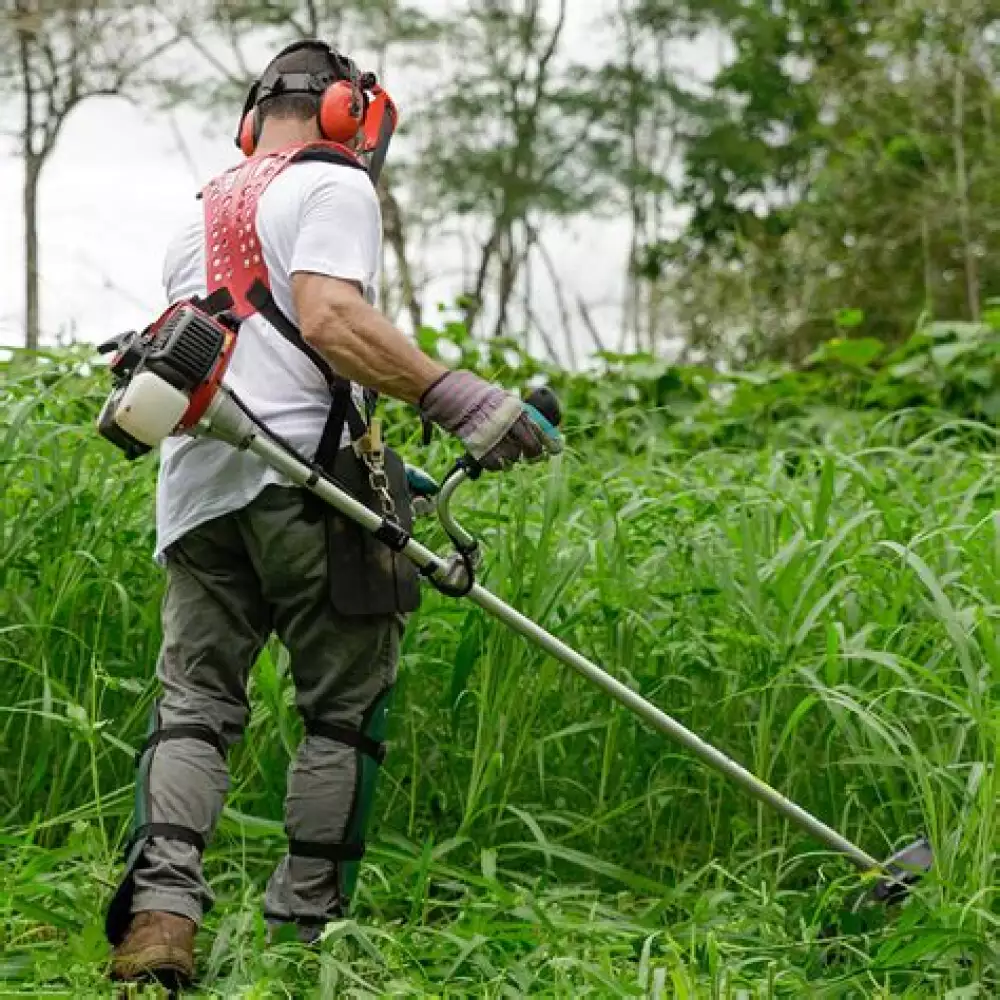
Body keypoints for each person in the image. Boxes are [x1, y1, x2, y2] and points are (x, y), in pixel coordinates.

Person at [105, 39, 561, 987]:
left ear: (251, 119)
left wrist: (393, 466)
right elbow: (327, 320)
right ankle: (300, 932)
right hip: (301, 498)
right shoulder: (334, 184)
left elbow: (257, 357)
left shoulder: (202, 215)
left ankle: (161, 917)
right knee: (340, 719)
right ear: (350, 110)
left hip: (197, 493)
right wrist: (458, 396)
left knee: (194, 709)